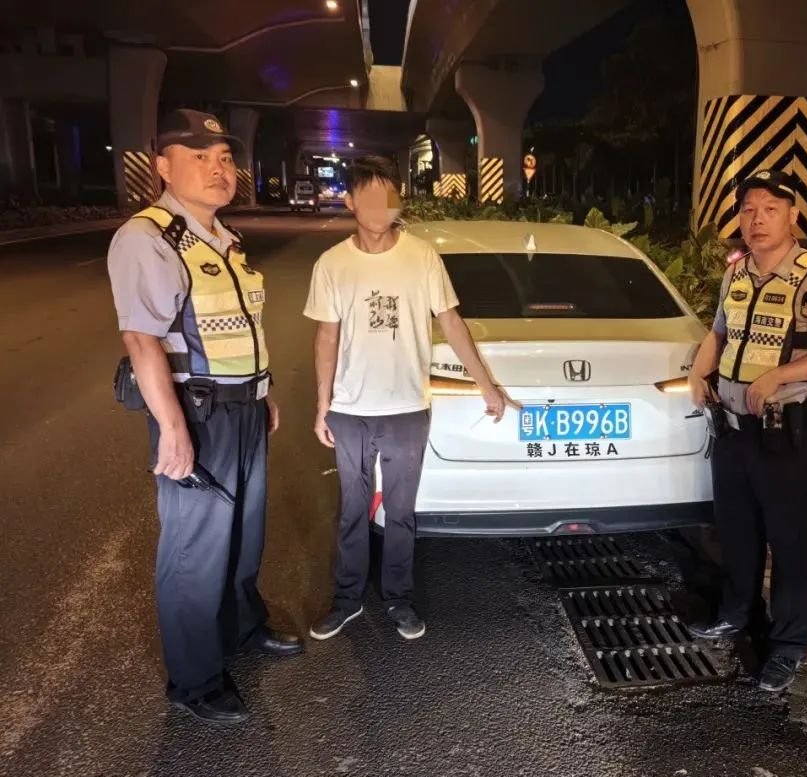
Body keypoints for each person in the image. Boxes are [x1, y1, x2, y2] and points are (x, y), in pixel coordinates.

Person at [106, 109, 303, 726]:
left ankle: (242, 625)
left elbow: (240, 326)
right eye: (200, 157)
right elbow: (142, 341)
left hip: (245, 405)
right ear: (163, 167)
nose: (219, 169)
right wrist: (172, 430)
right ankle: (194, 681)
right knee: (195, 547)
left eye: (224, 158)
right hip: (196, 411)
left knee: (244, 531)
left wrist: (264, 391)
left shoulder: (223, 237)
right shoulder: (150, 237)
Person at [303, 156, 511, 642]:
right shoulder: (332, 263)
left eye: (389, 197)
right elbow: (326, 337)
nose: (381, 207)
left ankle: (398, 598)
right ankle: (347, 599)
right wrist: (322, 404)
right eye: (370, 197)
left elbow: (451, 322)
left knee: (400, 512)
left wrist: (486, 384)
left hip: (406, 408)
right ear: (350, 202)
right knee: (353, 509)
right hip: (350, 409)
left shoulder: (422, 257)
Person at [686, 169, 807, 692]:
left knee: (790, 539)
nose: (757, 220)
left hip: (786, 431)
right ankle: (736, 613)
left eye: (770, 210)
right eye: (749, 210)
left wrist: (777, 376)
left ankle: (790, 642)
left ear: (792, 216)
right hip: (734, 428)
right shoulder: (736, 272)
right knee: (736, 530)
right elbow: (719, 332)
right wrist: (698, 372)